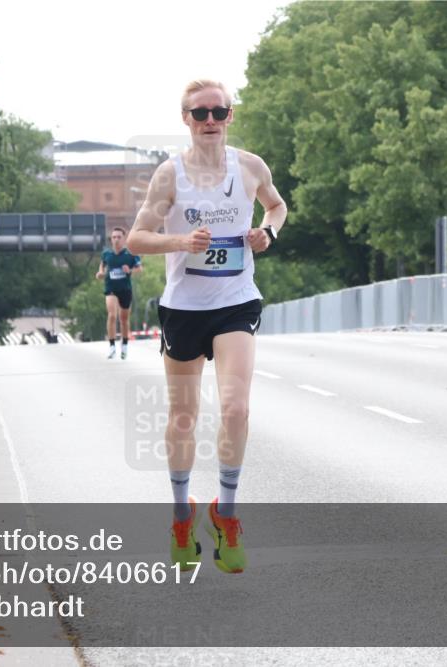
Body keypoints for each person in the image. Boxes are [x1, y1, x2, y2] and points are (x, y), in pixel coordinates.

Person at [127, 79, 287, 574]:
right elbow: (136, 239)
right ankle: (181, 516)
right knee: (183, 418)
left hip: (236, 300)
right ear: (186, 120)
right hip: (184, 308)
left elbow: (277, 206)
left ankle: (227, 513)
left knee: (236, 407)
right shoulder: (169, 176)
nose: (211, 120)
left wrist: (268, 233)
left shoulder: (250, 167)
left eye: (219, 111)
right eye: (201, 114)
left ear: (230, 116)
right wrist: (180, 243)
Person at [96, 227, 142, 359]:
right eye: (113, 237)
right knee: (111, 315)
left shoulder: (131, 254)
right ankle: (111, 346)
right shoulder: (106, 254)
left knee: (124, 319)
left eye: (118, 237)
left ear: (124, 239)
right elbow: (102, 266)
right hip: (110, 287)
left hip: (125, 289)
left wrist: (130, 270)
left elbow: (139, 268)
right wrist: (100, 273)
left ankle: (125, 345)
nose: (116, 240)